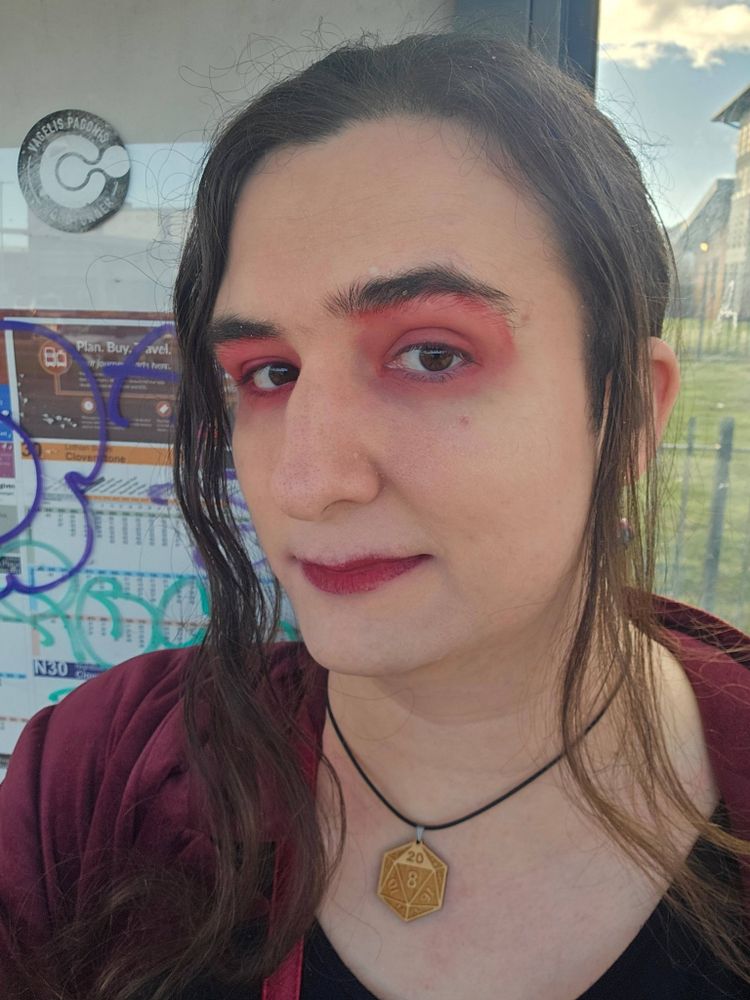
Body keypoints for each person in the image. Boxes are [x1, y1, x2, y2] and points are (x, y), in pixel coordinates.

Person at [1, 29, 749, 1000]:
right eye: (268, 373)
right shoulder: (96, 779)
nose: (310, 482)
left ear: (632, 411)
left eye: (432, 355)